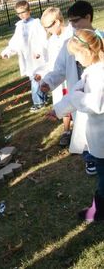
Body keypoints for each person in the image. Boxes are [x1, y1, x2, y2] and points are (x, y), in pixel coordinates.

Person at [40, 0, 104, 175]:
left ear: (88, 17)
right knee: (83, 129)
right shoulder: (71, 43)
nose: (73, 25)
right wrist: (49, 82)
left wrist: (75, 97)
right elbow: (60, 68)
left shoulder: (101, 39)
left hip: (95, 98)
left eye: (76, 20)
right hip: (81, 98)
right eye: (71, 21)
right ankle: (90, 159)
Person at [47, 29, 104, 222]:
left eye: (77, 55)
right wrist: (58, 110)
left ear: (88, 52)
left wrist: (77, 96)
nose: (77, 60)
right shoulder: (90, 71)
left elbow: (95, 103)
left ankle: (99, 210)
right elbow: (74, 96)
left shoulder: (101, 74)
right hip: (98, 136)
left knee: (103, 177)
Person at [34, 7, 73, 146]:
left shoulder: (72, 34)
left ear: (57, 22)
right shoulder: (52, 41)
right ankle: (67, 131)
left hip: (73, 78)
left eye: (48, 27)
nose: (47, 31)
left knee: (76, 104)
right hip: (59, 80)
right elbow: (52, 64)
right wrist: (44, 77)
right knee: (63, 103)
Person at [0, 0, 47, 112]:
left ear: (29, 11)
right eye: (19, 13)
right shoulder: (19, 26)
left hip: (37, 57)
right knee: (36, 79)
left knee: (36, 78)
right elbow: (15, 42)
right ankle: (42, 98)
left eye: (23, 12)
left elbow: (43, 38)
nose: (21, 15)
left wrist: (39, 51)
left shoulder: (36, 23)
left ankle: (38, 102)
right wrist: (7, 52)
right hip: (27, 58)